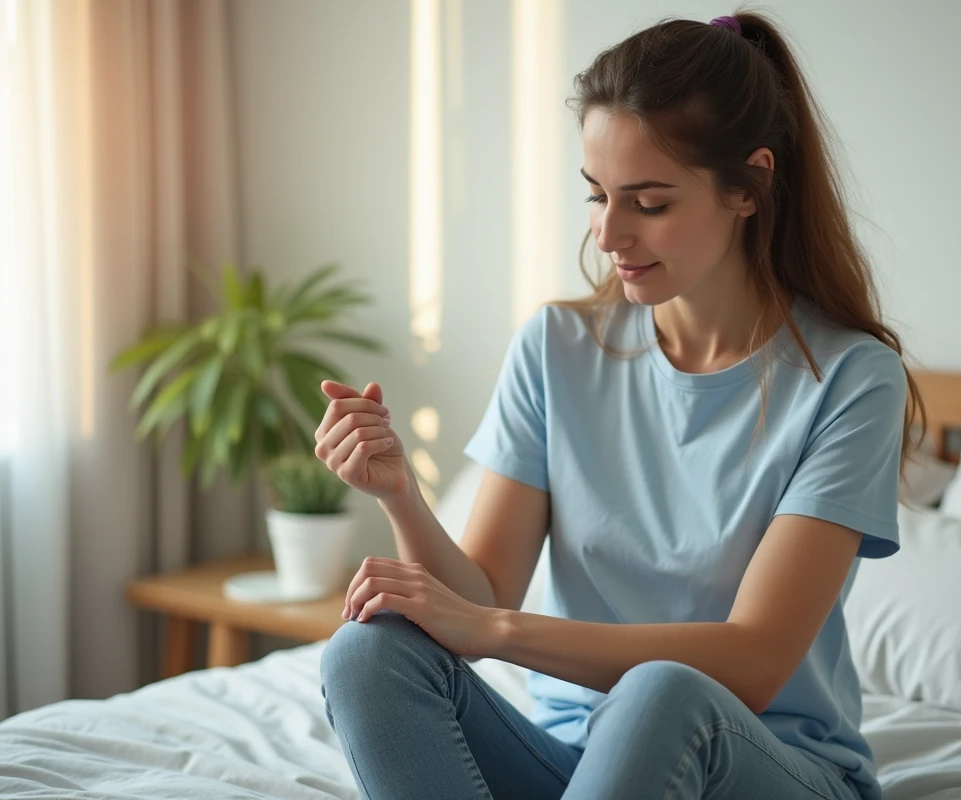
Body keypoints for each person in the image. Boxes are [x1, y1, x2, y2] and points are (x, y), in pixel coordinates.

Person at [316, 10, 924, 800]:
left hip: (757, 763)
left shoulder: (852, 379)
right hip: (574, 763)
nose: (608, 234)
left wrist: (497, 631)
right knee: (365, 653)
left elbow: (755, 662)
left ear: (749, 187)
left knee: (660, 690)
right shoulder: (556, 347)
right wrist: (399, 493)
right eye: (597, 195)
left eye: (649, 203)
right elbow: (479, 596)